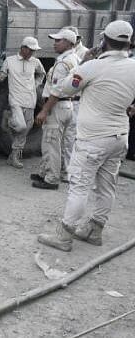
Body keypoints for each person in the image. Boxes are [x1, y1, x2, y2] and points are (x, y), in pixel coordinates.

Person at [37, 20, 135, 251]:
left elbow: (61, 88)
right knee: (107, 185)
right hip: (120, 136)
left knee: (79, 187)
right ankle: (94, 230)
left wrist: (83, 63)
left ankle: (64, 236)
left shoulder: (92, 67)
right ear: (128, 43)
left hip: (93, 138)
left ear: (103, 41)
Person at [31, 29, 79, 190]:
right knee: (49, 141)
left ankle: (51, 179)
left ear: (69, 43)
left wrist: (45, 110)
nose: (55, 43)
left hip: (57, 106)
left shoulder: (63, 63)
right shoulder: (74, 58)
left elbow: (57, 90)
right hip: (67, 105)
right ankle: (44, 171)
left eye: (59, 40)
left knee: (52, 143)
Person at [0, 36, 46, 169]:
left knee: (25, 130)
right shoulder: (10, 61)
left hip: (30, 100)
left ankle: (14, 156)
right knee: (21, 126)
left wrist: (35, 85)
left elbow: (41, 74)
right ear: (23, 48)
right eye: (30, 50)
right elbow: (1, 76)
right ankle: (7, 118)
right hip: (15, 99)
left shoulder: (35, 62)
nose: (32, 53)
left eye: (34, 50)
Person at [61, 26, 89, 181]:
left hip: (76, 101)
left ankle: (68, 171)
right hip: (66, 100)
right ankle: (63, 167)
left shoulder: (84, 53)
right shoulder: (67, 54)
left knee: (71, 137)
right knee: (64, 137)